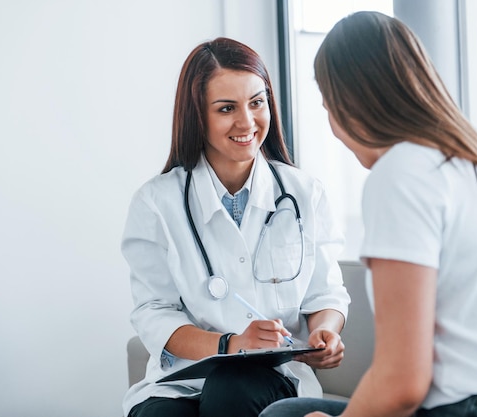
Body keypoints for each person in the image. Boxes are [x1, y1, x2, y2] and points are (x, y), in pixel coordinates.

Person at [259, 11, 477, 417]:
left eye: (329, 107)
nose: (333, 128)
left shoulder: (402, 171)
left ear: (351, 105)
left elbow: (402, 383)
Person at [121, 37, 350, 417]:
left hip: (274, 376)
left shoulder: (304, 194)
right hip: (182, 380)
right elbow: (154, 311)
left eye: (256, 103)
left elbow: (325, 294)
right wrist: (230, 344)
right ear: (198, 116)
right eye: (227, 108)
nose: (247, 122)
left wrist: (323, 333)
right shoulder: (156, 202)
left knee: (232, 390)